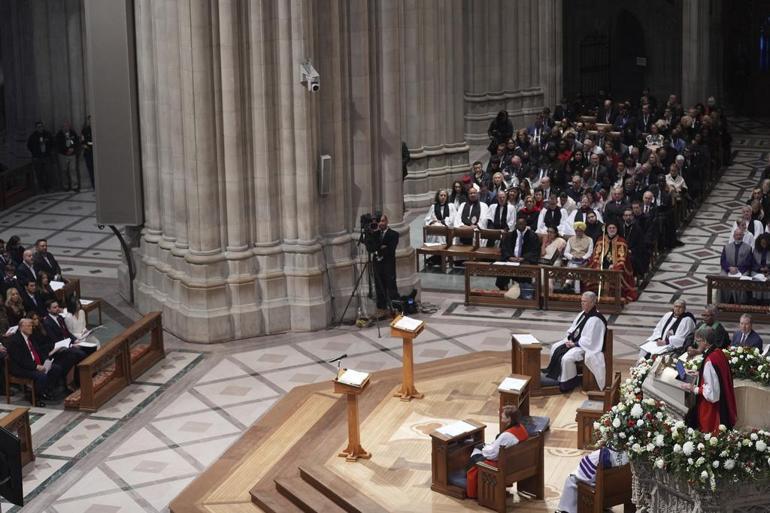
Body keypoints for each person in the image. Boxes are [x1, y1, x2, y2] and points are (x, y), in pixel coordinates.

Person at [544, 291, 607, 392]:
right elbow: (573, 328)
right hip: (575, 342)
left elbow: (591, 341)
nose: (582, 303)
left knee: (566, 358)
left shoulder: (596, 320)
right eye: (581, 301)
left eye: (585, 301)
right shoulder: (582, 314)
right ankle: (556, 374)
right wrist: (569, 338)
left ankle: (568, 383)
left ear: (592, 303)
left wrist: (574, 344)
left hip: (586, 348)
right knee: (555, 347)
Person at [681, 327, 737, 434]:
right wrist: (700, 373)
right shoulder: (718, 353)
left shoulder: (710, 361)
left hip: (712, 412)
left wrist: (693, 389)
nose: (697, 344)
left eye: (698, 341)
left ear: (705, 341)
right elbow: (718, 375)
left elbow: (712, 394)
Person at [465, 405, 528, 499]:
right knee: (480, 446)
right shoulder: (521, 428)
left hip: (501, 464)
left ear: (509, 418)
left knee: (476, 454)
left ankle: (474, 485)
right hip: (515, 462)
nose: (501, 415)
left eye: (503, 415)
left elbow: (492, 455)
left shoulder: (506, 435)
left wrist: (485, 449)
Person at [555, 447, 628, 513]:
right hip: (618, 489)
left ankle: (565, 510)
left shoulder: (602, 455)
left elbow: (582, 473)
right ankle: (605, 506)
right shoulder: (630, 453)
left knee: (571, 479)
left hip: (601, 490)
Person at [6, 318, 56, 405]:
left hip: (33, 363)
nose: (31, 328)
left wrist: (45, 360)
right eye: (28, 326)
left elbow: (38, 350)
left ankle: (45, 391)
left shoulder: (31, 337)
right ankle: (34, 397)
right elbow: (21, 360)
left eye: (31, 326)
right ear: (21, 327)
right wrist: (36, 366)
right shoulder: (15, 341)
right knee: (41, 376)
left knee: (56, 369)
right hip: (21, 368)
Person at [589, 222, 638, 302]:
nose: (612, 230)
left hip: (615, 267)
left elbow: (622, 258)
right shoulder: (601, 239)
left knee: (614, 274)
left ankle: (611, 297)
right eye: (610, 228)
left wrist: (615, 266)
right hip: (601, 266)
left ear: (617, 229)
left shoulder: (621, 241)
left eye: (613, 228)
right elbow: (596, 255)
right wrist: (597, 264)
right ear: (607, 229)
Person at [495, 217, 540, 291]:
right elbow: (504, 248)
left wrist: (524, 258)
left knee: (526, 269)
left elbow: (535, 251)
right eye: (518, 224)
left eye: (522, 224)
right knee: (503, 266)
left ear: (526, 224)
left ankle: (524, 290)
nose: (520, 225)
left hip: (525, 260)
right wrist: (510, 257)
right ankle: (503, 288)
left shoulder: (533, 236)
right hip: (511, 260)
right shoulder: (510, 235)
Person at [373, 216, 399, 316]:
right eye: (379, 221)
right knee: (379, 287)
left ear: (387, 221)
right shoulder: (375, 234)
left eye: (383, 221)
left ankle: (395, 308)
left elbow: (390, 250)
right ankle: (382, 308)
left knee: (391, 286)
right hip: (378, 265)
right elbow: (372, 247)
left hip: (388, 265)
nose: (381, 223)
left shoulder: (394, 234)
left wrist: (380, 249)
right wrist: (382, 247)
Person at [719, 227, 753, 304]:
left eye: (740, 235)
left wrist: (738, 269)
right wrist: (729, 268)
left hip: (742, 270)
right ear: (734, 236)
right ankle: (723, 302)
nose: (738, 237)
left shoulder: (748, 248)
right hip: (728, 269)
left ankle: (740, 303)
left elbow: (749, 262)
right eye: (737, 235)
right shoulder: (727, 247)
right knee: (721, 277)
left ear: (743, 236)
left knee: (743, 279)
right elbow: (722, 260)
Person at [423, 189, 456, 255]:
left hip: (447, 228)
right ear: (438, 196)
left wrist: (443, 222)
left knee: (439, 227)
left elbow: (454, 219)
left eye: (445, 195)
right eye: (441, 195)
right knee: (436, 227)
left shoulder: (451, 206)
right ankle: (435, 253)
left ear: (447, 197)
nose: (443, 197)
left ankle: (442, 252)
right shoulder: (433, 206)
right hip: (436, 228)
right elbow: (427, 219)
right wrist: (432, 221)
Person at [26, 121, 54, 192]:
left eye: (41, 126)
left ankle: (49, 187)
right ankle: (41, 188)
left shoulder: (47, 134)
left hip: (46, 156)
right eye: (38, 127)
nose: (40, 128)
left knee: (49, 173)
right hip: (37, 157)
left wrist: (49, 151)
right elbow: (29, 146)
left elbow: (52, 143)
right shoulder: (32, 136)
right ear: (36, 128)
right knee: (39, 174)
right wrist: (35, 153)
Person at [56, 121, 81, 191]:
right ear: (62, 127)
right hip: (63, 155)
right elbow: (58, 145)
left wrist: (73, 149)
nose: (66, 127)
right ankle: (66, 186)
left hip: (72, 155)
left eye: (67, 126)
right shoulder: (59, 134)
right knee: (64, 171)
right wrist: (66, 151)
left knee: (73, 170)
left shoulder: (73, 133)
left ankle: (75, 186)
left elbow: (76, 142)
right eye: (65, 126)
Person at [81, 115, 95, 189]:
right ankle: (94, 185)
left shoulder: (98, 129)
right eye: (90, 120)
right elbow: (83, 142)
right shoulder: (85, 130)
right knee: (91, 170)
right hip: (89, 153)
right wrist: (90, 144)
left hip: (97, 154)